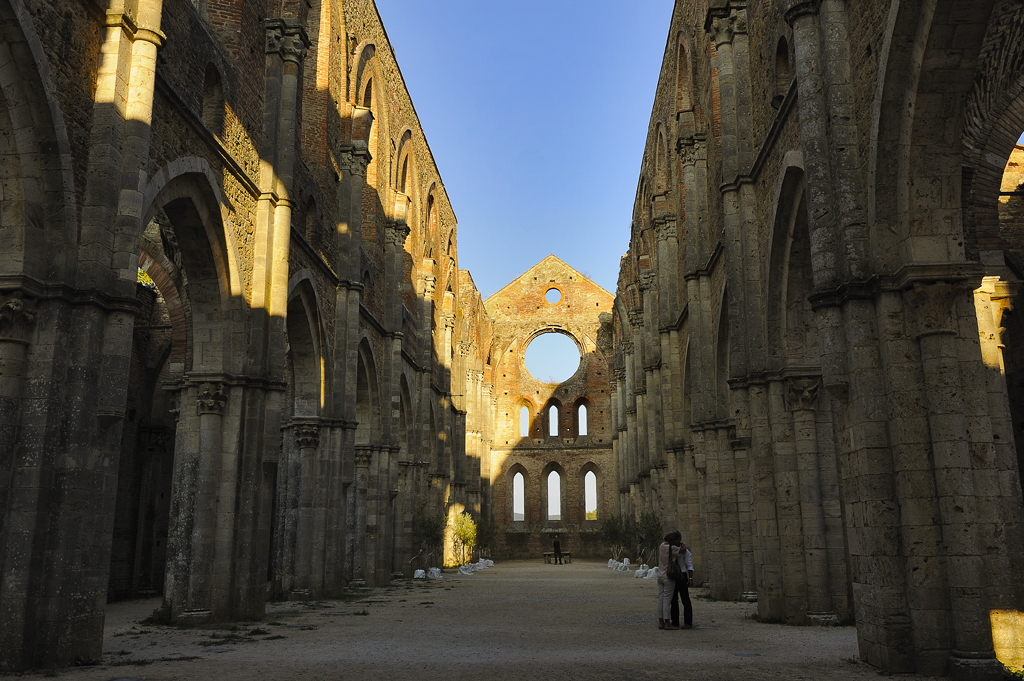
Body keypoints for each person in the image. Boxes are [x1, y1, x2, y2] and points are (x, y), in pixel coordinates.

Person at [656, 530, 681, 629]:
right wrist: (681, 544)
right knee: (667, 600)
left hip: (660, 576)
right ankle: (667, 623)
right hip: (668, 576)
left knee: (660, 600)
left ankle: (661, 621)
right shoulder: (673, 548)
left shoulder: (662, 546)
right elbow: (683, 549)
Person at [670, 538, 694, 629]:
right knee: (674, 599)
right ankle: (675, 621)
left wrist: (690, 578)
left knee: (685, 599)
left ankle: (688, 622)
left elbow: (689, 564)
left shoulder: (685, 551)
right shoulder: (671, 550)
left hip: (682, 575)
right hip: (673, 575)